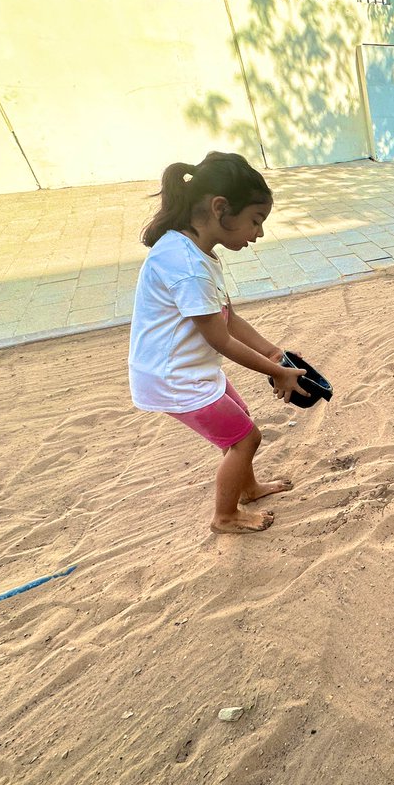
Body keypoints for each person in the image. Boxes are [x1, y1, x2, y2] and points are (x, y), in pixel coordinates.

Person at [128, 152, 308, 533]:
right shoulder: (187, 267)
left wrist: (273, 353)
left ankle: (249, 489)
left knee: (241, 426)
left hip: (192, 370)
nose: (257, 234)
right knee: (246, 439)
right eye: (255, 221)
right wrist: (278, 373)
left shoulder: (196, 253)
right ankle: (225, 516)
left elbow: (228, 317)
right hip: (173, 379)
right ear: (220, 208)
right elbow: (221, 339)